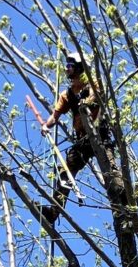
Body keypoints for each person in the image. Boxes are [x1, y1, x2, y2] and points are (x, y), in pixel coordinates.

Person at [42, 53, 106, 221]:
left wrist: (85, 101)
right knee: (66, 174)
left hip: (101, 138)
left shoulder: (94, 84)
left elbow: (97, 98)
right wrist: (46, 126)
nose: (66, 68)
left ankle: (124, 205)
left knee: (112, 177)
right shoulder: (68, 94)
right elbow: (55, 116)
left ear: (79, 67)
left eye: (70, 65)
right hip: (83, 141)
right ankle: (54, 212)